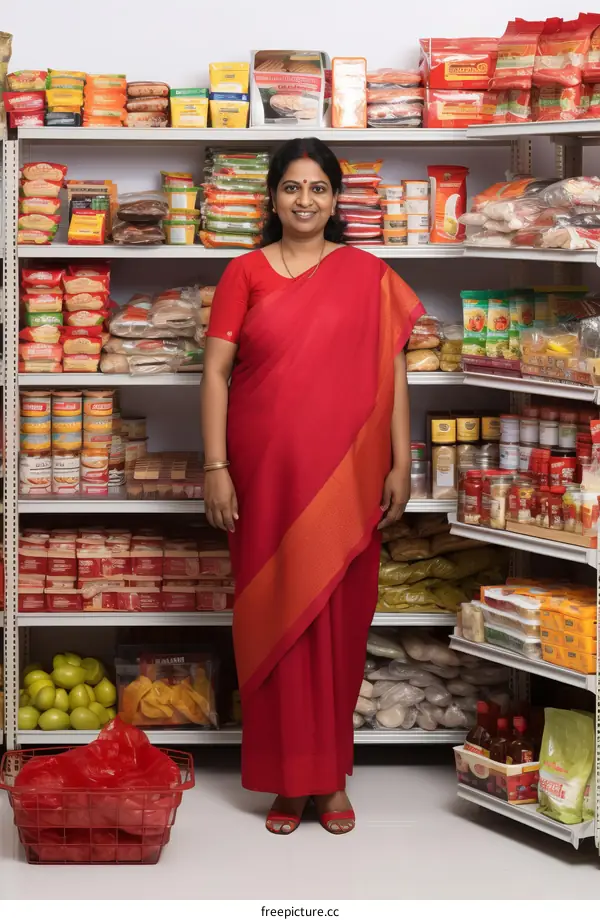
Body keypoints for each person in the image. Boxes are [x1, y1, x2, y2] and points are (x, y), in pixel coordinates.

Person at [201, 137, 424, 836]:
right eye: (292, 188)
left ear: (335, 200)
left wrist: (400, 462)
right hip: (264, 475)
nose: (305, 201)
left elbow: (392, 375)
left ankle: (327, 781)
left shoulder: (368, 275)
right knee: (273, 622)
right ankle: (285, 782)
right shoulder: (245, 273)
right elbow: (214, 375)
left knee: (338, 623)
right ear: (273, 198)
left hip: (347, 475)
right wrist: (215, 467)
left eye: (318, 189)